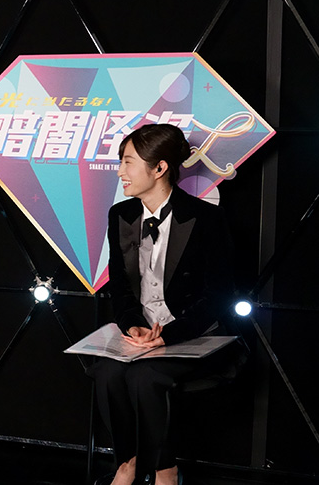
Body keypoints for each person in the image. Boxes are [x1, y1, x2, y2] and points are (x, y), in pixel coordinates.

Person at [88, 124, 238, 485]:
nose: (120, 172)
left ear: (160, 168)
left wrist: (166, 336)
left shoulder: (206, 218)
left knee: (145, 376)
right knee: (106, 372)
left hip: (193, 334)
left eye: (128, 162)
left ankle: (165, 469)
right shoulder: (120, 215)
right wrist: (133, 326)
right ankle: (128, 462)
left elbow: (218, 296)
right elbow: (119, 287)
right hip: (142, 333)